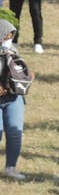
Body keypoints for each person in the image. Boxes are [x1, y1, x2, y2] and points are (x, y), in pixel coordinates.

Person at [0, 18, 29, 178]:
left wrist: (27, 78)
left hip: (14, 98)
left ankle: (11, 167)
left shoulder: (14, 53)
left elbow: (19, 72)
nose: (9, 40)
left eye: (11, 36)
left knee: (15, 133)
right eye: (6, 36)